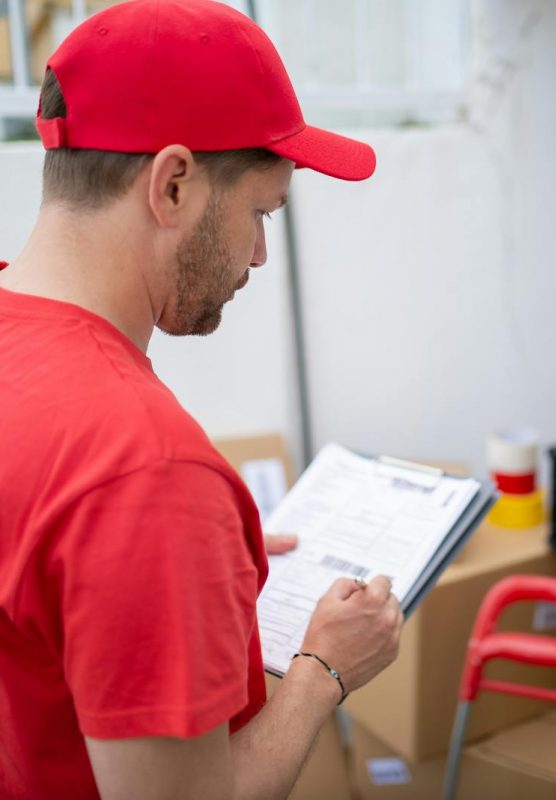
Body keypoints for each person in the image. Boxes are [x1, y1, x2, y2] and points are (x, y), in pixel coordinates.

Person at [0, 1, 403, 798]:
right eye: (260, 211)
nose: (258, 254)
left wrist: (198, 559)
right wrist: (323, 670)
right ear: (174, 184)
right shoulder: (143, 470)